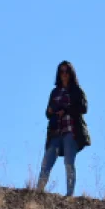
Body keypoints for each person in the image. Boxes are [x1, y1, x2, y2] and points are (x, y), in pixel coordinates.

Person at [36, 61, 91, 196]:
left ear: (71, 73)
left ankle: (69, 194)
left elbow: (84, 108)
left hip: (71, 131)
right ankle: (38, 192)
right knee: (47, 161)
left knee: (69, 162)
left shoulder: (77, 91)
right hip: (55, 131)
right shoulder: (55, 92)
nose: (64, 74)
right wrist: (51, 111)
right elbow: (47, 114)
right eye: (61, 71)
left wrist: (66, 110)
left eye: (66, 71)